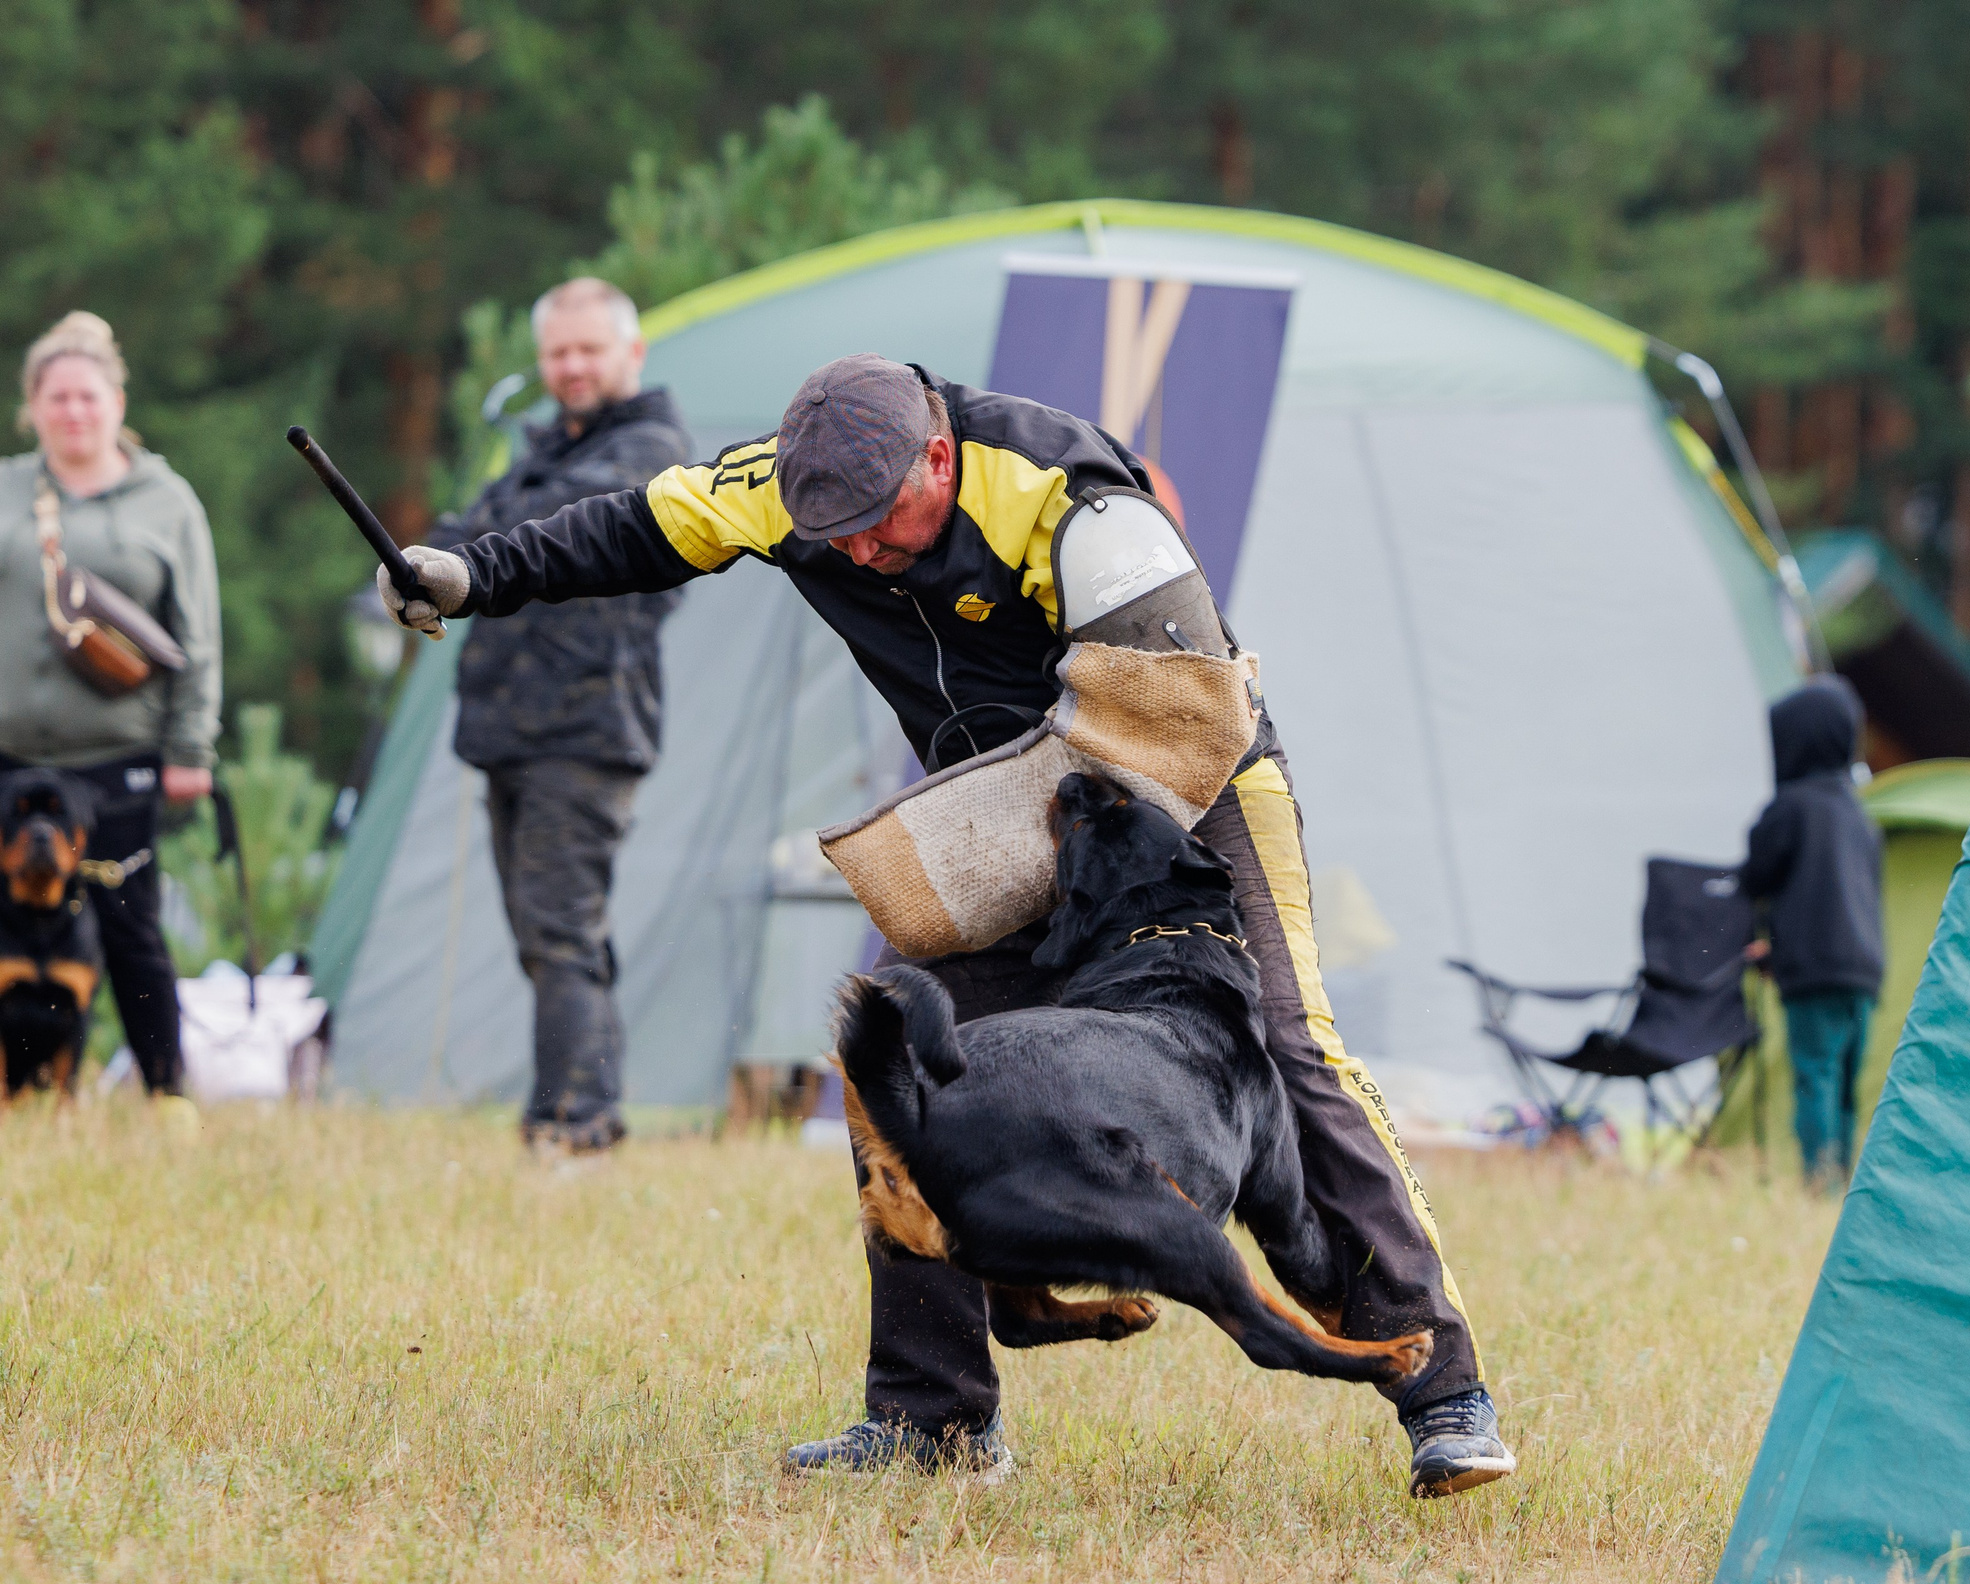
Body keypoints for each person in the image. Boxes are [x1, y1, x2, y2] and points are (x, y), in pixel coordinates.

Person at [377, 354, 1515, 1499]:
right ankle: (935, 1423)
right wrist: (468, 573)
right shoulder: (786, 491)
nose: (862, 553)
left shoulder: (1076, 506)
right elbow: (635, 528)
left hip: (1191, 774)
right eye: (837, 538)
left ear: (938, 456)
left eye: (882, 525)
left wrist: (1089, 885)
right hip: (1012, 812)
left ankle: (1445, 1392)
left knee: (1289, 1043)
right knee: (902, 1067)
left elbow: (1182, 715)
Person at [428, 278, 693, 1153]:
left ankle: (573, 1122)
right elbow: (470, 523)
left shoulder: (650, 449)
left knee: (560, 931)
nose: (571, 367)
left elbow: (540, 525)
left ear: (632, 352)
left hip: (584, 729)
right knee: (554, 935)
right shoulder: (545, 449)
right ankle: (580, 1111)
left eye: (588, 349)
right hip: (514, 728)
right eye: (556, 353)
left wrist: (466, 542)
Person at [0, 311, 222, 1115]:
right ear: (33, 407)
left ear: (117, 400)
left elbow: (199, 633)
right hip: (11, 755)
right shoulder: (7, 489)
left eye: (87, 396)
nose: (74, 412)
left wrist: (190, 745)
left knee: (130, 930)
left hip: (118, 757)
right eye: (56, 398)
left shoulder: (167, 502)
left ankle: (167, 1096)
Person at [1740, 676, 1885, 1192]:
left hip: (1814, 971)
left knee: (1815, 1075)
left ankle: (1818, 1184)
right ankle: (1842, 1182)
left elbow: (1756, 874)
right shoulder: (1859, 815)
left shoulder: (1793, 807)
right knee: (1847, 1084)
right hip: (1864, 972)